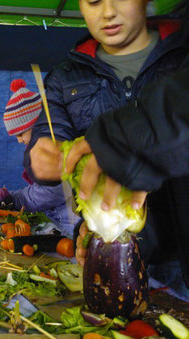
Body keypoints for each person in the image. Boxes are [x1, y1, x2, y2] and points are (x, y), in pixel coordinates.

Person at [26, 0, 189, 297]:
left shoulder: (183, 57)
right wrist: (41, 156)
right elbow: (46, 137)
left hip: (181, 261)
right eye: (94, 1)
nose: (108, 12)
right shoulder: (67, 76)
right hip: (109, 243)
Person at [0, 79, 80, 237]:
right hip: (61, 223)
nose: (19, 140)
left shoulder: (56, 147)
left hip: (73, 228)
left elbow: (47, 193)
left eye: (21, 133)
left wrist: (14, 199)